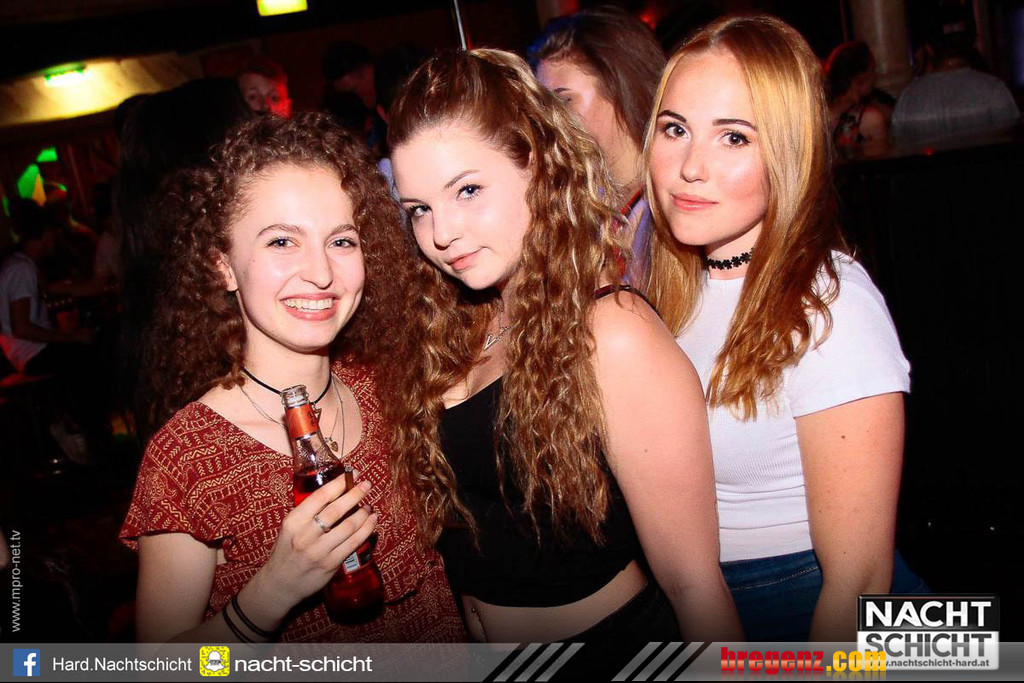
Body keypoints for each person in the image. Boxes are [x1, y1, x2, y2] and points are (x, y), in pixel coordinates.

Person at [385, 48, 742, 664]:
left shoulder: (614, 334)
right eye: (419, 209)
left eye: (467, 190)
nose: (441, 233)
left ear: (537, 168)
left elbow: (693, 584)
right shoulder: (456, 323)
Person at [119, 113, 465, 643]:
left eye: (342, 242)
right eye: (282, 242)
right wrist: (272, 592)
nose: (321, 273)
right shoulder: (187, 458)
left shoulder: (389, 388)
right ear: (223, 265)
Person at [645, 15, 924, 642]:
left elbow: (860, 582)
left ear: (788, 151)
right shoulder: (664, 286)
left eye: (734, 138)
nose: (690, 166)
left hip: (813, 607)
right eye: (675, 129)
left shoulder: (832, 307)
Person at [530, 6, 665, 286]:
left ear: (621, 89)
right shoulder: (586, 204)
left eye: (564, 101)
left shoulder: (670, 205)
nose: (548, 121)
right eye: (543, 108)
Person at [891, 38, 1019, 145]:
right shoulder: (993, 87)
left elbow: (901, 144)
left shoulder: (908, 96)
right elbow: (1011, 136)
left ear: (929, 49)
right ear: (973, 44)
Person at [824, 41, 890, 153]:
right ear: (861, 77)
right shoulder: (870, 119)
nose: (875, 77)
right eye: (872, 70)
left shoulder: (817, 115)